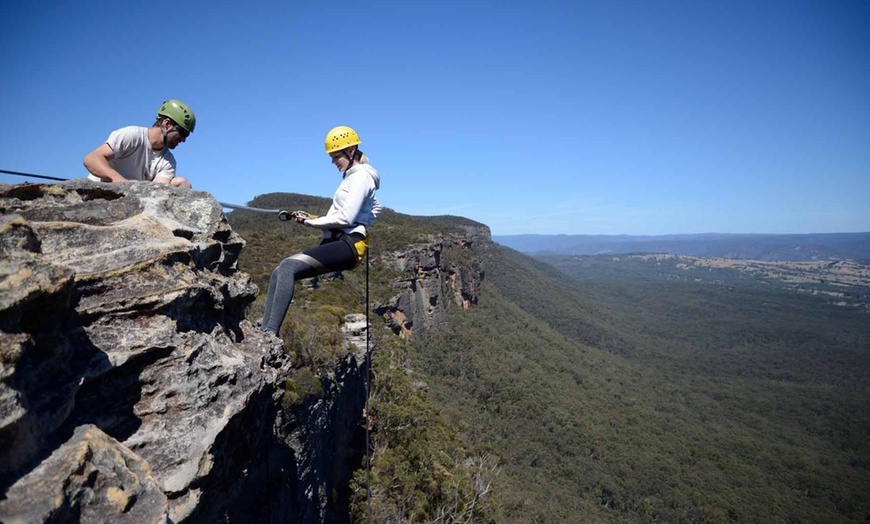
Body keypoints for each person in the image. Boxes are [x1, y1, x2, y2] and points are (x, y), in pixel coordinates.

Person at [261, 126, 382, 335]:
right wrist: (314, 218)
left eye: (336, 157)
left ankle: (270, 333)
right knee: (280, 270)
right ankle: (265, 330)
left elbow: (345, 217)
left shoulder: (361, 176)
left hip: (348, 245)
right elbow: (376, 206)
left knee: (288, 267)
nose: (333, 162)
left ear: (351, 150)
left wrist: (312, 223)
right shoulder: (353, 177)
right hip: (339, 241)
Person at [84, 99, 196, 188]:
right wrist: (120, 181)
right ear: (167, 124)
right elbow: (91, 159)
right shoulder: (132, 135)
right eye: (183, 133)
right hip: (100, 192)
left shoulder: (168, 161)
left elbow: (158, 189)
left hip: (130, 200)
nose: (183, 139)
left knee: (182, 183)